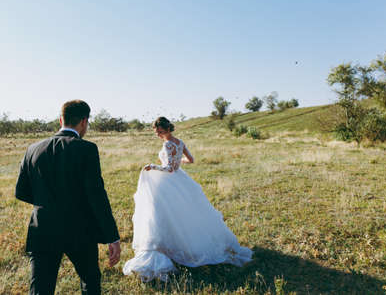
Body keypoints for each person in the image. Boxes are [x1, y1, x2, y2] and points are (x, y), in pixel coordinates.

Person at [123, 117, 252, 282]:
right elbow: (190, 160)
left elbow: (169, 169)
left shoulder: (168, 144)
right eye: (156, 132)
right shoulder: (180, 142)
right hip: (181, 179)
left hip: (168, 181)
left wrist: (152, 167)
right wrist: (178, 163)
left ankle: (166, 246)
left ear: (167, 129)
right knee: (183, 213)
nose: (158, 134)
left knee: (164, 213)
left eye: (160, 131)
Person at [15, 100, 121, 295]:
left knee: (40, 288)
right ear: (84, 121)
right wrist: (112, 236)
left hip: (43, 227)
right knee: (90, 281)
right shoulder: (87, 149)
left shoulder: (33, 149)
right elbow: (97, 195)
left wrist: (47, 202)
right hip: (80, 229)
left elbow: (21, 191)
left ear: (60, 119)